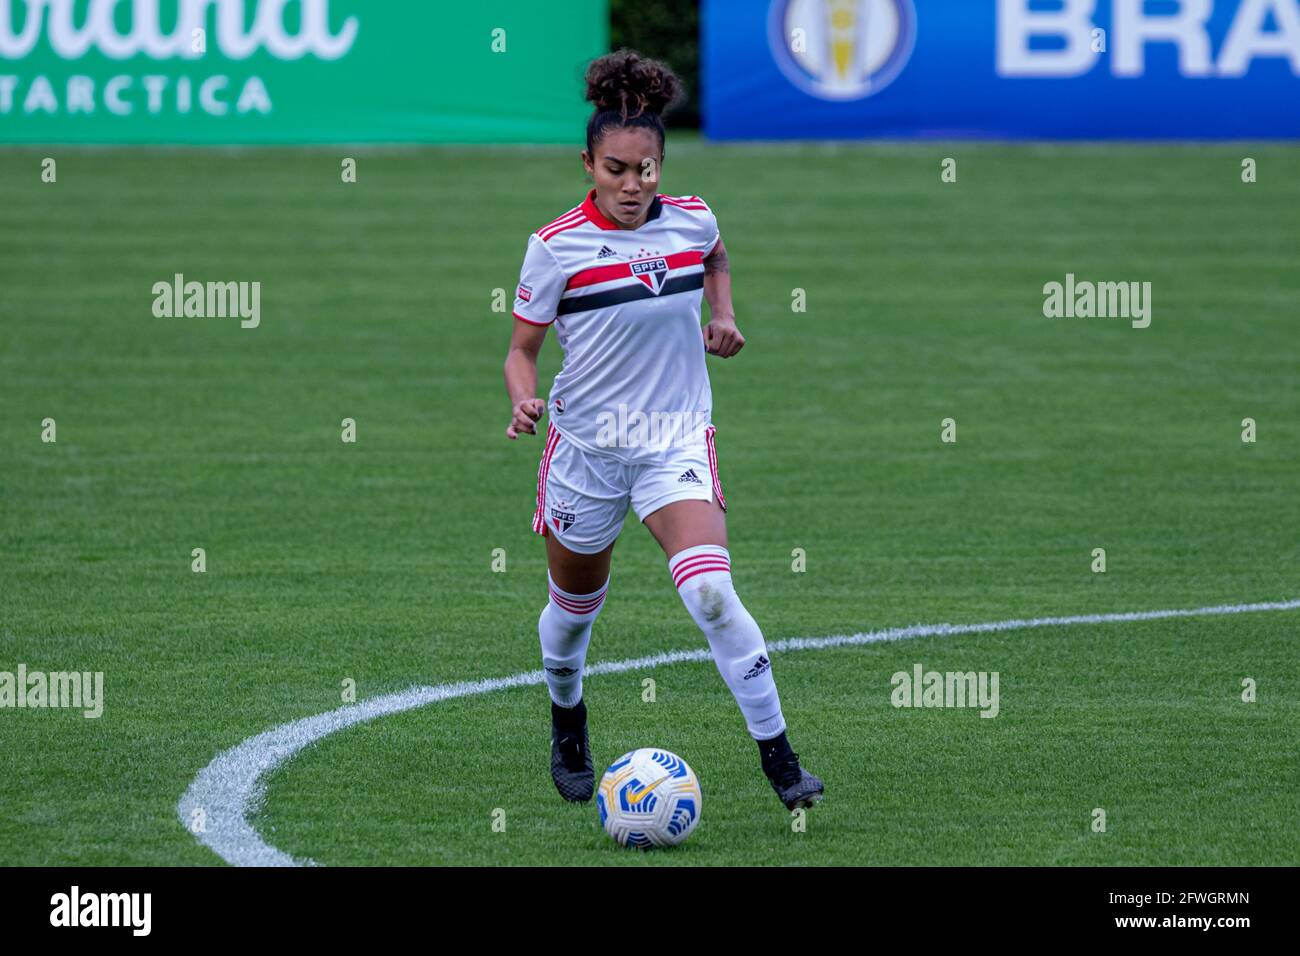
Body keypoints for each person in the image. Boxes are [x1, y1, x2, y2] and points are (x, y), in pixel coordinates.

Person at [502, 49, 823, 811]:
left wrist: (724, 315)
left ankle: (781, 761)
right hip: (584, 449)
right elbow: (521, 350)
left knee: (712, 592)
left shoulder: (692, 219)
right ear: (588, 163)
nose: (632, 185)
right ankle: (568, 720)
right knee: (574, 615)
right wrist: (523, 400)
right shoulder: (555, 247)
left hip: (674, 438)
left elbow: (715, 256)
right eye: (616, 169)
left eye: (646, 170)